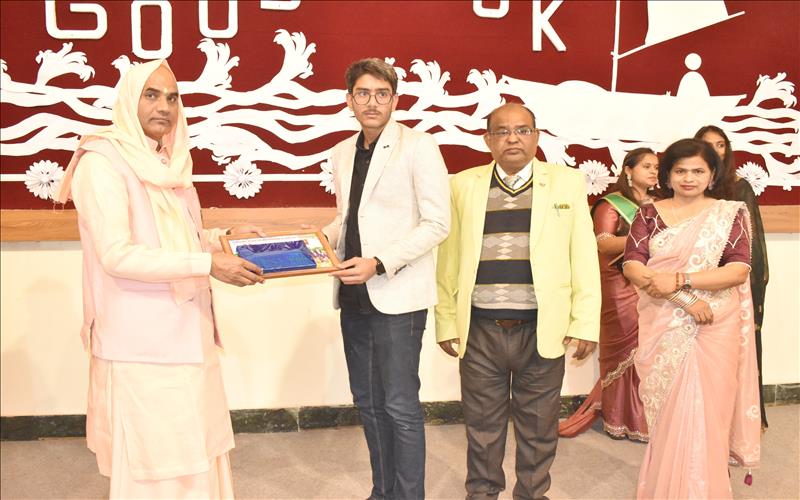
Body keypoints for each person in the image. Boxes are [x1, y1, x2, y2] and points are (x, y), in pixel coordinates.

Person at [56, 60, 264, 498]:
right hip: (140, 344)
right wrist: (207, 264)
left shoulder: (169, 162)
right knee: (156, 464)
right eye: (150, 95)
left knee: (196, 450)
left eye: (172, 97)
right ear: (129, 101)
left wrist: (224, 238)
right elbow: (117, 254)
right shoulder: (102, 163)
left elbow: (176, 236)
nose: (164, 107)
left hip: (187, 332)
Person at [435, 102, 601, 500]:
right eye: (503, 131)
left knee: (539, 427)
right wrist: (445, 319)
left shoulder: (566, 183)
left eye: (523, 130)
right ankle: (482, 493)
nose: (513, 138)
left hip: (541, 327)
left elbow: (583, 254)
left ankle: (532, 493)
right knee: (482, 427)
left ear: (536, 136)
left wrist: (584, 322)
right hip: (480, 328)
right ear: (488, 139)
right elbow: (448, 258)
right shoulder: (463, 185)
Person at [321, 58, 450, 500]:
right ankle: (383, 491)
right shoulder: (342, 152)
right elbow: (347, 218)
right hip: (352, 295)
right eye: (363, 93)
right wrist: (314, 241)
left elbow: (437, 223)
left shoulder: (419, 146)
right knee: (368, 402)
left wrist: (379, 262)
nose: (372, 102)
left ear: (394, 99)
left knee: (399, 405)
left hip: (398, 294)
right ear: (349, 99)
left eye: (381, 94)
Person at [622, 138, 760, 499]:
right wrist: (682, 297)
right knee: (670, 416)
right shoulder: (648, 214)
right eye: (680, 170)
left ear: (712, 175)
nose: (688, 178)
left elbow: (738, 270)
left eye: (698, 171)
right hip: (664, 323)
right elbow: (633, 265)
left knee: (708, 415)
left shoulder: (729, 213)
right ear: (667, 175)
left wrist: (682, 279)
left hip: (713, 325)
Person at [559, 148, 658, 442]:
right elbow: (603, 243)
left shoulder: (659, 203)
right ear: (628, 170)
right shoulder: (610, 204)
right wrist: (649, 239)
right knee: (623, 352)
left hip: (649, 283)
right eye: (647, 166)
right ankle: (619, 418)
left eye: (656, 167)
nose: (654, 172)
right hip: (618, 285)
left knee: (647, 351)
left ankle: (643, 418)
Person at [695, 124, 770, 429]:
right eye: (707, 144)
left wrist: (750, 286)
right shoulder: (692, 186)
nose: (715, 150)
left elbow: (752, 245)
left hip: (733, 280)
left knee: (737, 353)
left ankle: (739, 424)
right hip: (696, 280)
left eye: (720, 144)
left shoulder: (740, 187)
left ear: (727, 149)